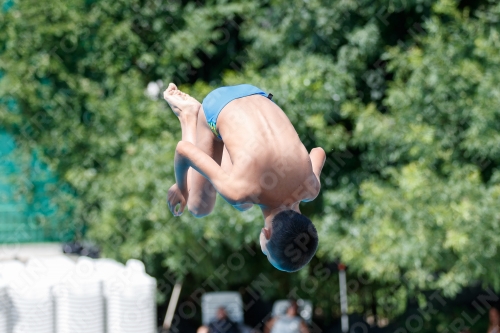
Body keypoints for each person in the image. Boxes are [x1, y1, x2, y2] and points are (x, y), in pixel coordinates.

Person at [164, 83, 325, 272]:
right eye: (266, 252)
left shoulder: (310, 188)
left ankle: (223, 133)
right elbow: (183, 150)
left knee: (246, 203)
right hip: (217, 105)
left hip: (257, 94)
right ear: (266, 234)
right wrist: (182, 187)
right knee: (199, 207)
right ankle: (190, 115)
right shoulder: (239, 193)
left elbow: (318, 151)